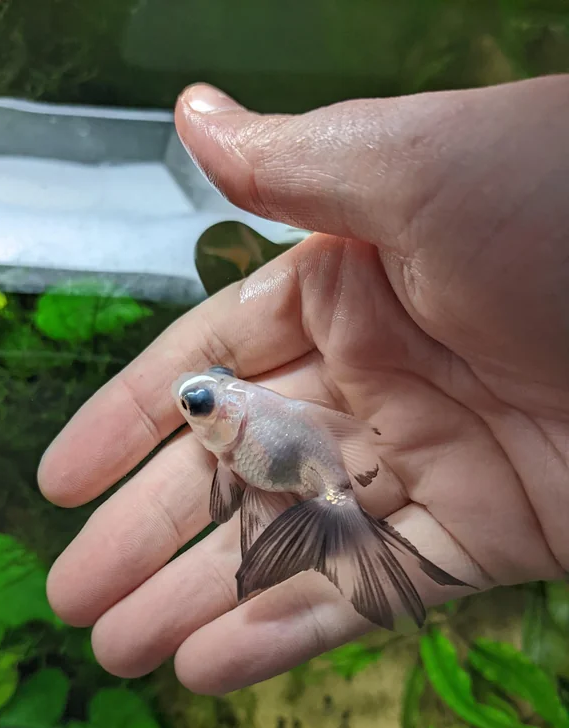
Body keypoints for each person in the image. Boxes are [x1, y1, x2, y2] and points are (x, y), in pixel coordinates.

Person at [37, 74, 569, 696]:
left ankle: (348, 545)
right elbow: (264, 463)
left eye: (204, 397)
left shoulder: (244, 421)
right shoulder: (248, 424)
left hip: (320, 471)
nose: (201, 402)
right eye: (200, 400)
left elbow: (275, 453)